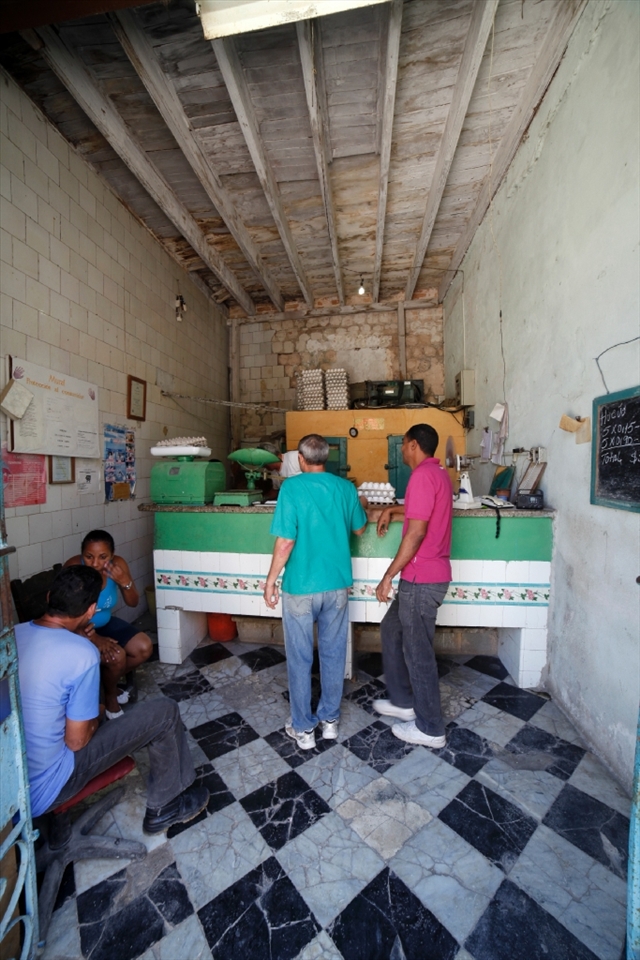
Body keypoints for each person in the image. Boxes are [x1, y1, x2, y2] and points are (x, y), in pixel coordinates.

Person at [15, 565, 209, 833]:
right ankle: (167, 806)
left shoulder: (14, 635)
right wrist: (99, 712)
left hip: (13, 788)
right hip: (49, 786)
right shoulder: (81, 653)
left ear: (49, 598)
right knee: (164, 712)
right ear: (91, 610)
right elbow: (77, 740)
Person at [264, 434, 367, 748]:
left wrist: (270, 581)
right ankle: (330, 721)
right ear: (326, 458)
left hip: (300, 588)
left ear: (301, 459)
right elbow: (360, 528)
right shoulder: (345, 488)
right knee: (334, 654)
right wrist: (357, 505)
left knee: (299, 657)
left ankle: (304, 729)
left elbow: (285, 542)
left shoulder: (291, 489)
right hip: (336, 585)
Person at [373, 423, 453, 748]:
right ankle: (404, 701)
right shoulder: (438, 475)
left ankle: (430, 728)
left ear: (414, 445)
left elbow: (417, 532)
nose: (403, 449)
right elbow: (421, 512)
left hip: (421, 580)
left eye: (404, 444)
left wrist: (388, 575)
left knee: (418, 653)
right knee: (391, 629)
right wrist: (391, 508)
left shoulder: (421, 476)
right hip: (427, 578)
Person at [65, 531, 153, 718]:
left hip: (106, 623)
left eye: (103, 557)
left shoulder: (117, 566)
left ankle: (105, 684)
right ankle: (111, 697)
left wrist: (125, 582)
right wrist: (95, 638)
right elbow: (63, 612)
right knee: (116, 656)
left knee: (144, 648)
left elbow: (133, 602)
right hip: (77, 631)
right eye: (89, 557)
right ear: (82, 554)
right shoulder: (73, 568)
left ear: (112, 555)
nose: (95, 563)